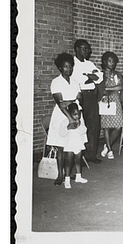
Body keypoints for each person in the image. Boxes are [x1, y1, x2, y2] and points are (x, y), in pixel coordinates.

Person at [46, 53, 82, 186]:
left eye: (71, 66)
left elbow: (80, 99)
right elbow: (60, 103)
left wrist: (70, 103)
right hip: (62, 116)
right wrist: (70, 118)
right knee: (61, 147)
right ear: (60, 68)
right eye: (65, 67)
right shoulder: (56, 82)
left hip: (76, 113)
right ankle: (60, 174)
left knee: (72, 146)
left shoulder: (75, 82)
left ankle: (69, 173)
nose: (69, 69)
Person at [71, 39, 104, 164]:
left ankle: (91, 154)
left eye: (88, 49)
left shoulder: (89, 64)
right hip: (79, 96)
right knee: (79, 126)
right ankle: (78, 156)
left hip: (91, 97)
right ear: (77, 49)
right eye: (84, 49)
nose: (87, 51)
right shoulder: (73, 64)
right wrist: (91, 77)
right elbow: (80, 80)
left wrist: (89, 76)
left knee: (94, 126)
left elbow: (99, 77)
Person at [100, 51, 123, 159]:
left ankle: (107, 145)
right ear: (104, 61)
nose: (112, 63)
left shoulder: (117, 74)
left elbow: (121, 87)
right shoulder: (100, 74)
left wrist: (108, 90)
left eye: (113, 61)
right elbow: (101, 90)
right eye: (110, 61)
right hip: (105, 102)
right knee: (106, 127)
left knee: (118, 127)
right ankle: (110, 150)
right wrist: (112, 89)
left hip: (116, 101)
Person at [59, 103, 88, 189]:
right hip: (69, 146)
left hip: (78, 144)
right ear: (70, 114)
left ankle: (78, 176)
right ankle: (67, 179)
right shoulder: (65, 122)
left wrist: (79, 126)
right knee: (69, 162)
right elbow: (61, 133)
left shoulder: (80, 122)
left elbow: (84, 131)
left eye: (78, 114)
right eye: (74, 115)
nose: (77, 117)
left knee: (78, 161)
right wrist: (67, 128)